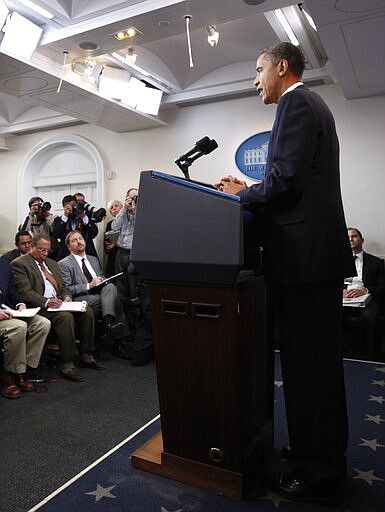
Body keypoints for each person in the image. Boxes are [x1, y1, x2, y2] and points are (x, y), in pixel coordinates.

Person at [215, 42, 355, 506]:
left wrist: (241, 193)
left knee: (309, 372)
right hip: (309, 262)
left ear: (281, 67)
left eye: (258, 71)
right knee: (311, 369)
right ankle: (318, 452)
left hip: (305, 263)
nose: (255, 81)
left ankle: (319, 472)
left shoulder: (297, 104)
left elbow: (284, 182)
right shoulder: (308, 105)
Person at [11, 234, 102, 382]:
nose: (45, 254)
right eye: (41, 250)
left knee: (87, 311)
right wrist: (47, 302)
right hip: (40, 307)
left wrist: (66, 297)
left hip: (60, 303)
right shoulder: (20, 264)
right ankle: (67, 361)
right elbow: (25, 292)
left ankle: (85, 352)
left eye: (48, 251)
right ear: (32, 246)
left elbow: (64, 286)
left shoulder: (52, 263)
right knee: (65, 317)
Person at [58, 231, 125, 341]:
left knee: (111, 287)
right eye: (74, 240)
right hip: (82, 296)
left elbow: (101, 276)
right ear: (69, 247)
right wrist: (89, 285)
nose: (79, 242)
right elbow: (67, 289)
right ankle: (117, 337)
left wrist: (103, 280)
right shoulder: (64, 264)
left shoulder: (93, 259)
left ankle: (107, 324)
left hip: (100, 292)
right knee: (115, 299)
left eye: (80, 238)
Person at [0, 258, 50, 398]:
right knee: (19, 327)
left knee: (42, 324)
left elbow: (12, 289)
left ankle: (23, 370)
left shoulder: (3, 264)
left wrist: (20, 304)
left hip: (8, 311)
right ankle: (9, 375)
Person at [343, 227, 385, 359]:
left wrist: (364, 290)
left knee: (372, 317)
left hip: (367, 299)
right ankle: (341, 352)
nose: (350, 239)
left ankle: (373, 355)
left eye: (354, 236)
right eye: (348, 237)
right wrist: (341, 291)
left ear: (362, 240)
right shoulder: (338, 262)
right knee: (330, 314)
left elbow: (382, 287)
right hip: (344, 300)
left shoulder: (377, 263)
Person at [52, 194, 98, 260]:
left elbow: (94, 233)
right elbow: (57, 234)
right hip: (66, 256)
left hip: (86, 254)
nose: (72, 208)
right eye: (69, 206)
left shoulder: (85, 218)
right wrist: (65, 216)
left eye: (74, 205)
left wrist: (83, 217)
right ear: (64, 207)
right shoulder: (60, 220)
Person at [104, 199, 123, 277]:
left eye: (116, 206)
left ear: (122, 208)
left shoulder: (128, 221)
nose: (114, 208)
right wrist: (108, 246)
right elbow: (107, 241)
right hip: (113, 256)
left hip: (125, 254)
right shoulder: (109, 224)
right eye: (111, 208)